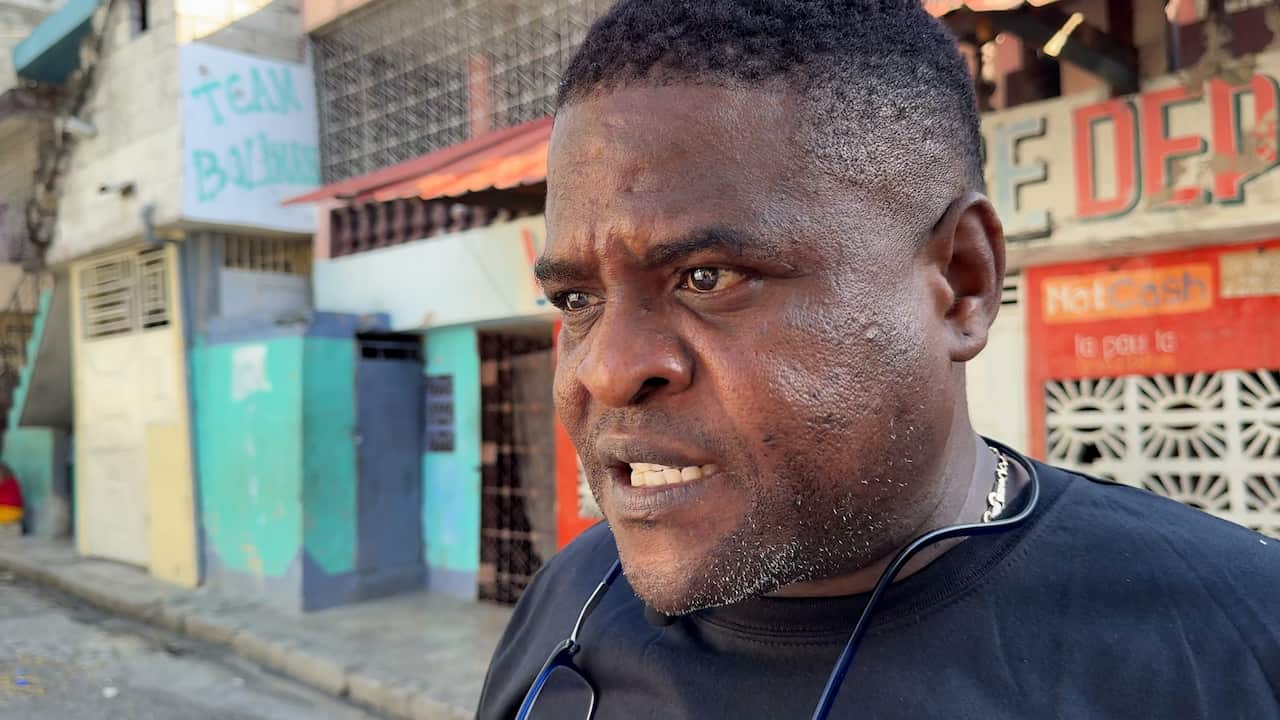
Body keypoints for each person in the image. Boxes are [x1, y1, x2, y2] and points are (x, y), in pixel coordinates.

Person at [477, 1, 1280, 717]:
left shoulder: (1233, 637)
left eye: (707, 277)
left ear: (961, 285)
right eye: (577, 301)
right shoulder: (570, 599)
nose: (604, 370)